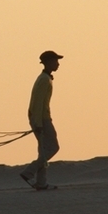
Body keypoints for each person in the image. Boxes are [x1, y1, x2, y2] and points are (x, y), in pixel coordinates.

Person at [20, 50, 63, 190]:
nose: (58, 64)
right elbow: (37, 103)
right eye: (56, 61)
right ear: (49, 62)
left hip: (40, 117)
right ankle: (29, 172)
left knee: (44, 151)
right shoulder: (44, 80)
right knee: (53, 147)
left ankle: (41, 183)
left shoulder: (45, 78)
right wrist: (38, 123)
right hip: (42, 119)